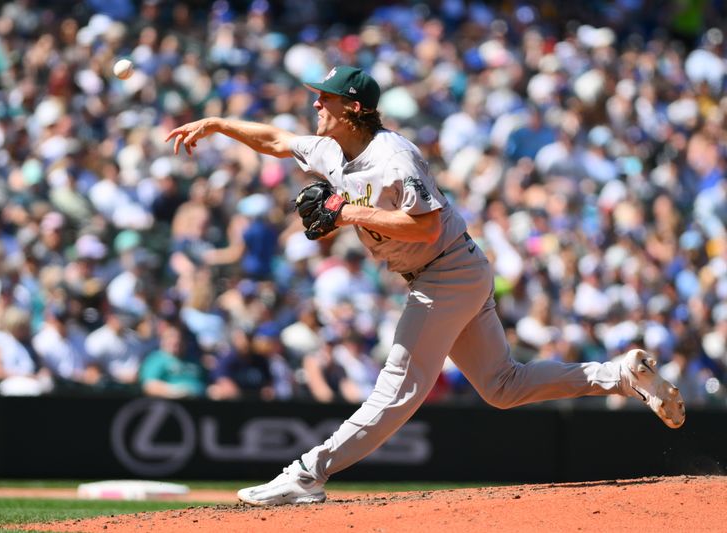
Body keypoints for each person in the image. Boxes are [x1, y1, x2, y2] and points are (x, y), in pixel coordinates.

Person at [165, 65, 686, 506]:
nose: (315, 105)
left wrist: (348, 211)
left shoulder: (395, 157)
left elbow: (427, 225)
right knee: (503, 386)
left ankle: (306, 474)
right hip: (452, 269)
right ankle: (618, 374)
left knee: (397, 388)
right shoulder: (329, 148)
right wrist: (216, 124)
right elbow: (276, 140)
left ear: (352, 107)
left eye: (323, 99)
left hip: (446, 269)